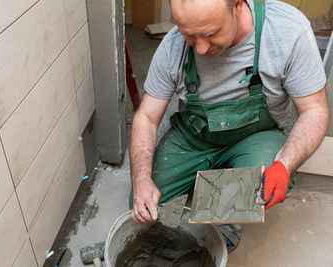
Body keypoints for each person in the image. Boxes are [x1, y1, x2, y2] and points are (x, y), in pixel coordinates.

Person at [129, 0, 330, 247]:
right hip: (194, 137)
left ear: (237, 5)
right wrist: (141, 180)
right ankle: (211, 178)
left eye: (210, 33)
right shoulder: (172, 46)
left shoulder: (286, 31)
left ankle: (226, 197)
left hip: (255, 137)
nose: (200, 49)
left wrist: (284, 166)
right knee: (145, 210)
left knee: (260, 180)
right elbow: (146, 117)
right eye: (189, 35)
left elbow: (314, 110)